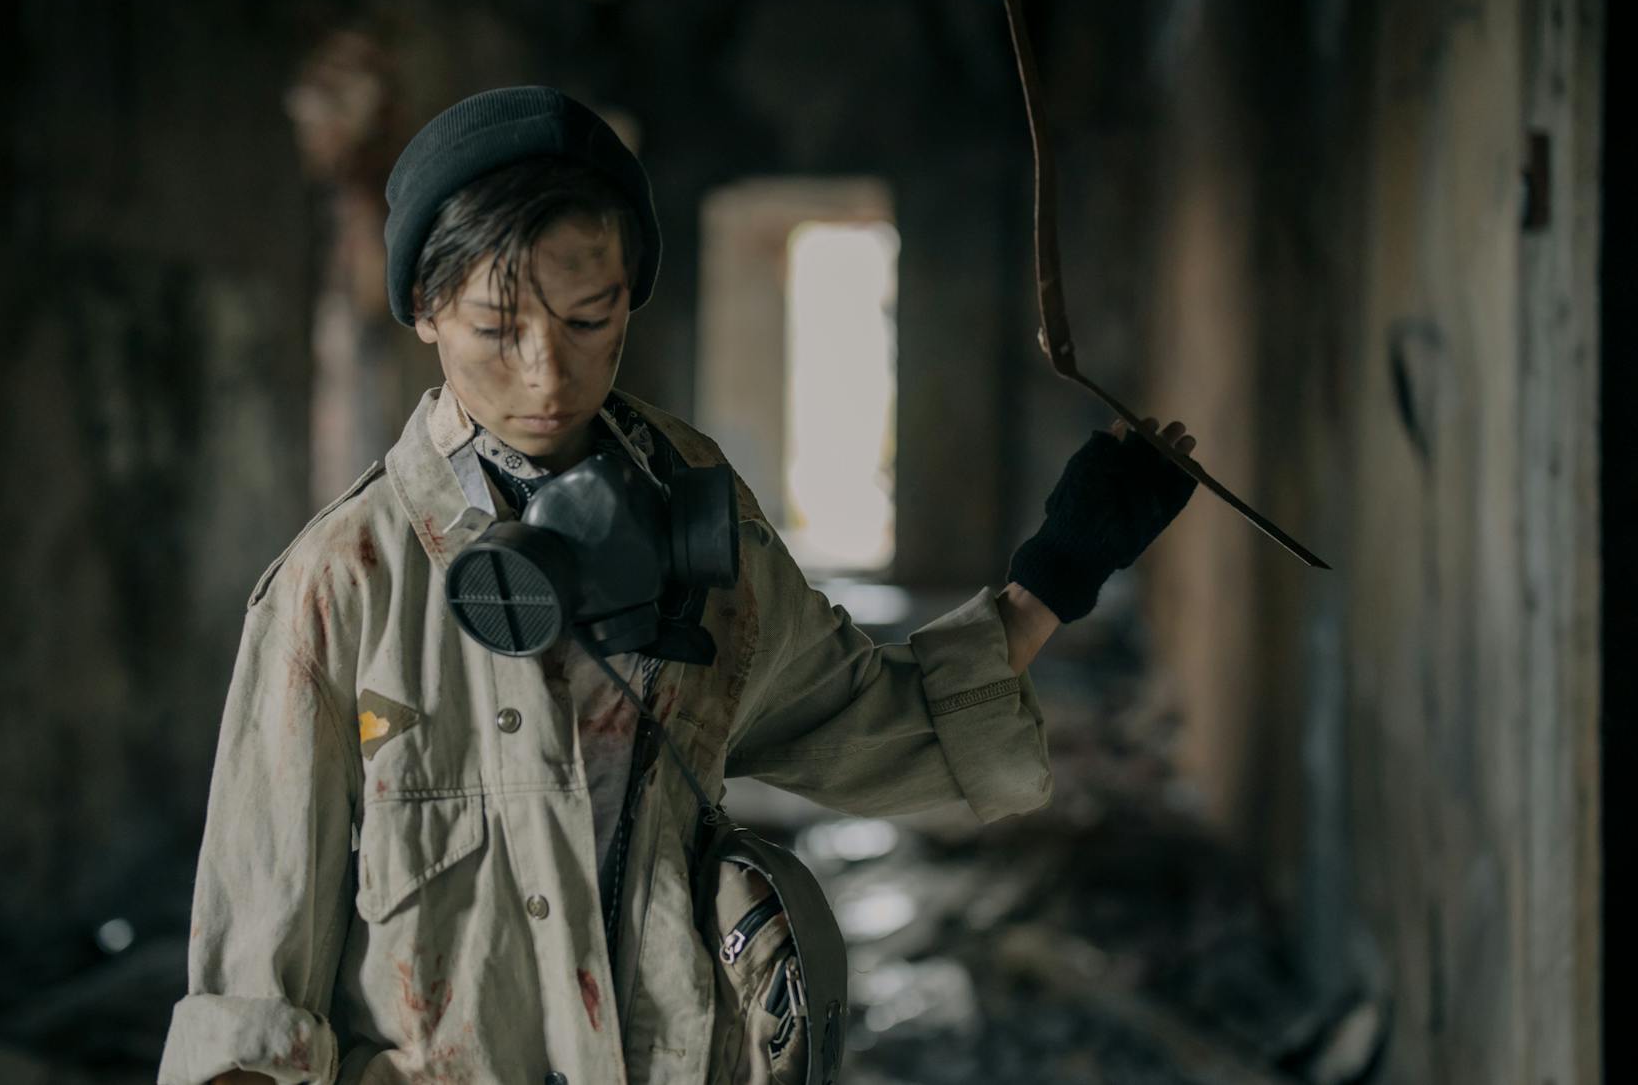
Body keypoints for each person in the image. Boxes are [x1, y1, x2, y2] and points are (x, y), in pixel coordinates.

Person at [156, 86, 1197, 1085]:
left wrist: (1058, 569)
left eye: (588, 318)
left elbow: (872, 717)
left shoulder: (698, 518)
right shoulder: (342, 583)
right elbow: (250, 996)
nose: (547, 376)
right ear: (424, 311)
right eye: (496, 328)